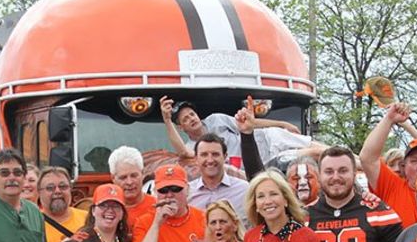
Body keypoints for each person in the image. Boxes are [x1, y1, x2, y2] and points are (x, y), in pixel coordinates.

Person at [160, 97, 326, 169]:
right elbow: (182, 152)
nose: (191, 119)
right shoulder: (194, 148)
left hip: (268, 138)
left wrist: (282, 124)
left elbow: (249, 124)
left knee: (325, 149)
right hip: (266, 160)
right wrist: (167, 120)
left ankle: (352, 158)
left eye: (192, 114)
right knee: (316, 154)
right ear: (181, 128)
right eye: (185, 119)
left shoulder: (216, 120)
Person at [187, 134, 250, 221]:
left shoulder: (244, 190)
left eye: (215, 154)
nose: (210, 160)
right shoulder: (187, 192)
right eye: (204, 155)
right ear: (196, 158)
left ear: (225, 157)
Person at [37, 167, 88, 242]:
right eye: (50, 188)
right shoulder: (32, 222)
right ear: (39, 192)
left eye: (63, 187)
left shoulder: (87, 219)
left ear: (70, 189)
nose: (57, 191)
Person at [108, 146, 157, 229]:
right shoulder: (105, 212)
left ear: (143, 174)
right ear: (113, 178)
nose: (129, 182)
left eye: (134, 176)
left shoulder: (157, 208)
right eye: (123, 177)